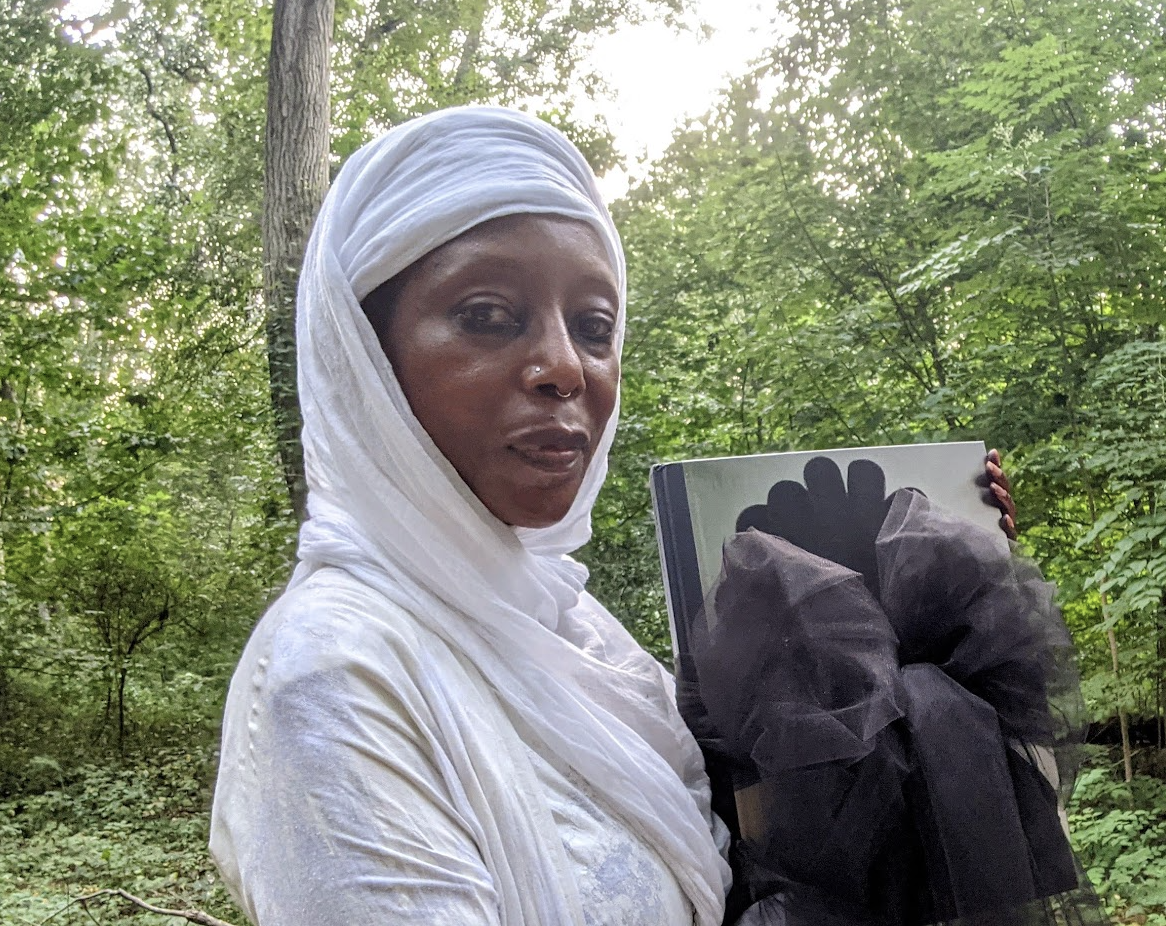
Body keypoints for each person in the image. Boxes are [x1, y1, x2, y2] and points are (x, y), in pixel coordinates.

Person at [208, 105, 1018, 926]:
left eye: (595, 327)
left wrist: (944, 602)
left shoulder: (569, 624)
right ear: (364, 357)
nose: (566, 367)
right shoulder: (335, 677)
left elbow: (757, 857)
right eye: (487, 316)